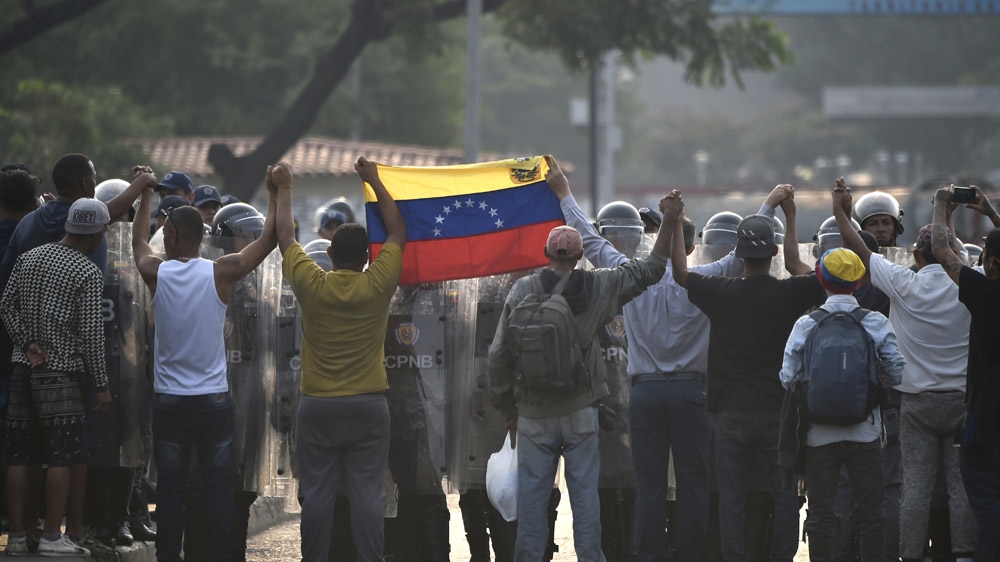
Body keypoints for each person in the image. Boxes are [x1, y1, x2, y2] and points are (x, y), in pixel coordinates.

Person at [489, 155, 674, 562]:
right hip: (580, 412)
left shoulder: (522, 293)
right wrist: (670, 223)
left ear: (547, 253)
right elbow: (651, 270)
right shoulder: (598, 287)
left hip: (533, 414)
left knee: (533, 505)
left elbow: (498, 354)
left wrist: (507, 406)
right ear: (579, 256)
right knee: (586, 501)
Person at [131, 168, 278, 562]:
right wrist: (278, 193)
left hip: (170, 404)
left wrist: (145, 196)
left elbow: (139, 242)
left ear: (173, 236)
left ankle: (168, 558)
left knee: (170, 492)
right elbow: (267, 241)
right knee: (218, 491)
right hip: (213, 403)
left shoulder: (156, 274)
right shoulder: (221, 273)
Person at [671, 194, 825, 562]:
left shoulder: (720, 292)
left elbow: (679, 273)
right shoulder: (790, 292)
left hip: (729, 413)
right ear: (771, 251)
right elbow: (808, 272)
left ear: (738, 255)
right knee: (785, 493)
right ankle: (781, 556)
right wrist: (791, 217)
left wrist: (675, 222)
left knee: (732, 497)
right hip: (778, 411)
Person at [832, 179, 977, 562]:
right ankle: (963, 554)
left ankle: (910, 555)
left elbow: (862, 248)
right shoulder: (971, 285)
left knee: (913, 487)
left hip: (915, 403)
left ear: (915, 254)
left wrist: (841, 213)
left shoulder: (903, 285)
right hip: (962, 402)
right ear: (955, 254)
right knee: (960, 487)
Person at [274, 157, 405, 562]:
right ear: (368, 256)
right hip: (368, 405)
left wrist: (285, 186)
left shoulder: (311, 283)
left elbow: (284, 237)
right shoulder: (378, 283)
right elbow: (399, 230)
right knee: (367, 492)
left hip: (318, 406)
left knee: (316, 495)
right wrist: (375, 181)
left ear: (328, 253)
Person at [1, 198, 114, 556]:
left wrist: (27, 342)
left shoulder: (29, 257)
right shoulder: (87, 271)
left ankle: (18, 536)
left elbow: (5, 305)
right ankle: (52, 536)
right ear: (96, 233)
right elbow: (93, 335)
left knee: (20, 455)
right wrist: (101, 385)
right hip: (62, 374)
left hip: (23, 368)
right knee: (62, 456)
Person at [779, 248, 906, 562]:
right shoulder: (875, 322)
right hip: (866, 433)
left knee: (821, 511)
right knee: (871, 512)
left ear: (821, 279)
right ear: (860, 281)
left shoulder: (807, 323)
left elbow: (787, 377)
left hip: (818, 436)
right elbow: (896, 373)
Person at [930, 184, 1000, 561]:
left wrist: (942, 205)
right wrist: (990, 213)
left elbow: (942, 250)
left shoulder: (985, 293)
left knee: (987, 501)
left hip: (987, 414)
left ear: (989, 262)